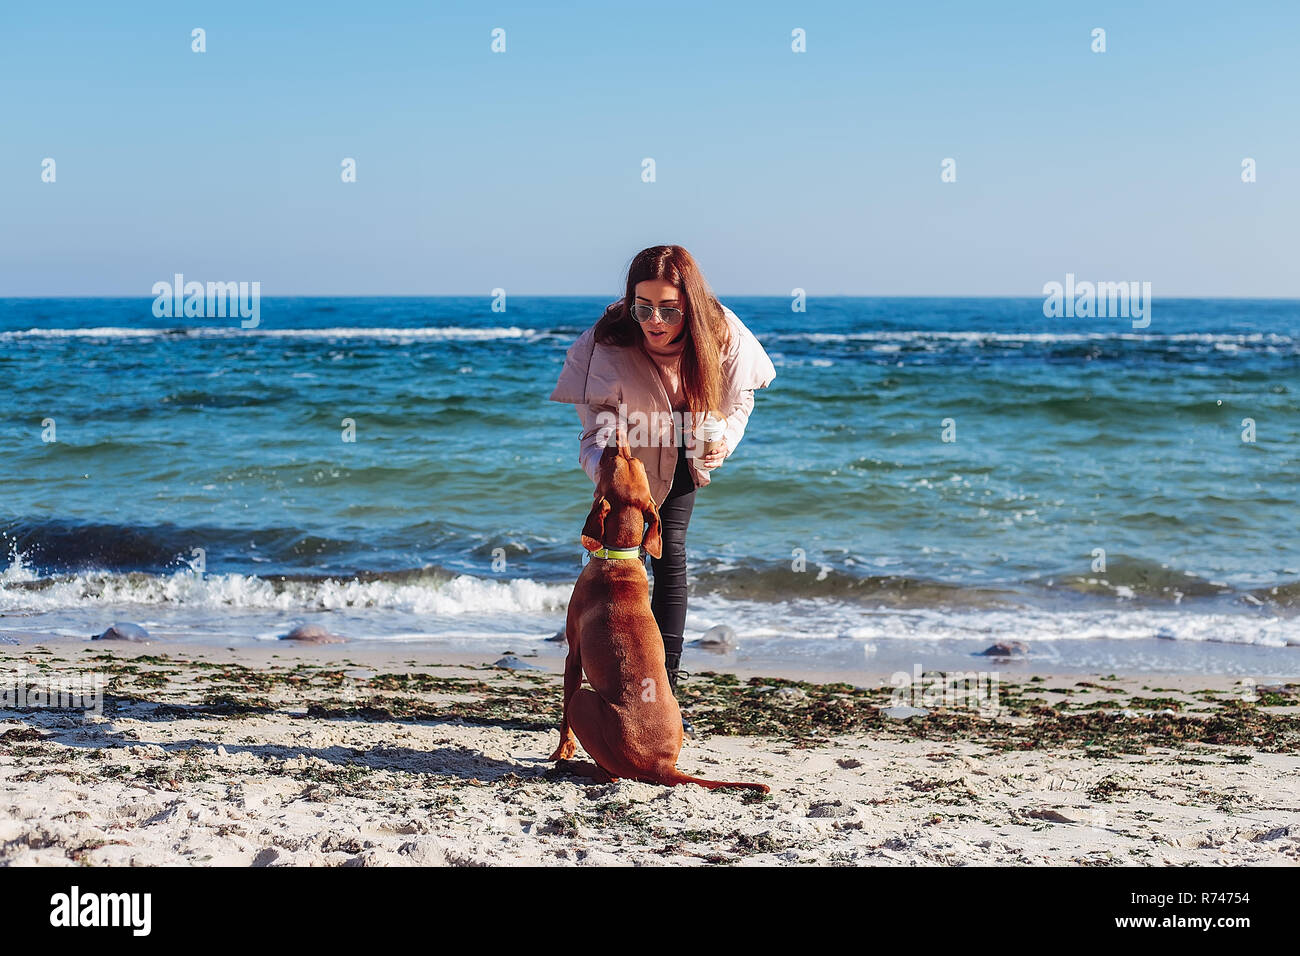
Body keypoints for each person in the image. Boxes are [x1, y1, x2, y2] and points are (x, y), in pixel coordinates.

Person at [548, 245, 776, 714]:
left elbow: (740, 400)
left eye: (669, 308)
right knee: (616, 564)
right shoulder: (607, 340)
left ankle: (664, 691)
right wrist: (610, 471)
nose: (655, 319)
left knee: (669, 554)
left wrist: (723, 442)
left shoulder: (723, 333)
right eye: (643, 306)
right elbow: (594, 425)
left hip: (688, 444)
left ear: (689, 304)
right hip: (628, 451)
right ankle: (619, 675)